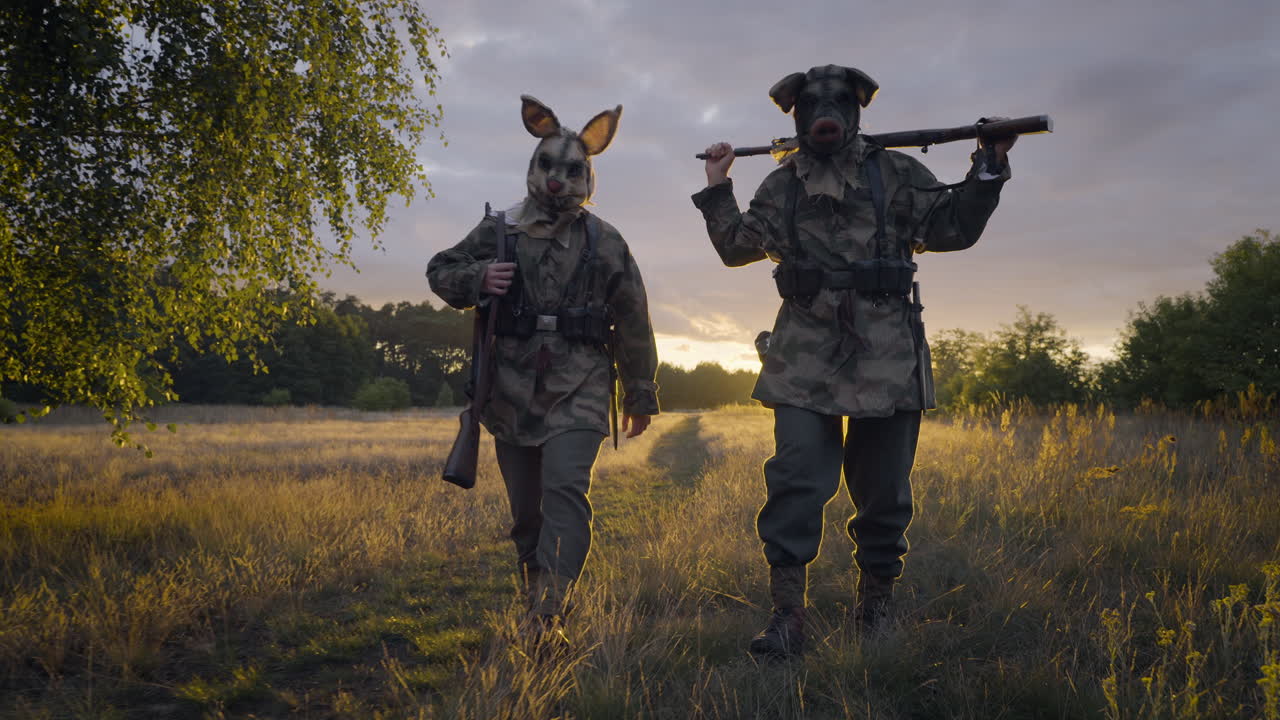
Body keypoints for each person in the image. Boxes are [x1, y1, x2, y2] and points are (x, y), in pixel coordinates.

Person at [691, 64, 1017, 657]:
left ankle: (876, 610)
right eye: (810, 105)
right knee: (794, 479)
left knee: (884, 489)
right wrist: (718, 185)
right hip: (802, 356)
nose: (824, 113)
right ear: (795, 116)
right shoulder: (782, 184)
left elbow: (952, 228)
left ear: (857, 110)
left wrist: (988, 164)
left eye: (837, 102)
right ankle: (788, 615)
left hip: (886, 354)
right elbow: (737, 247)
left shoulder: (893, 172)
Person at [428, 95, 660, 637]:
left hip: (580, 383)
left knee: (565, 491)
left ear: (589, 172)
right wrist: (479, 278)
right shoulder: (501, 229)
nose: (558, 179)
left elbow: (633, 317)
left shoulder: (605, 241)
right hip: (508, 388)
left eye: (572, 169)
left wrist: (640, 393)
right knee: (527, 512)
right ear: (533, 166)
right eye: (548, 166)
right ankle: (534, 589)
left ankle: (550, 610)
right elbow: (441, 269)